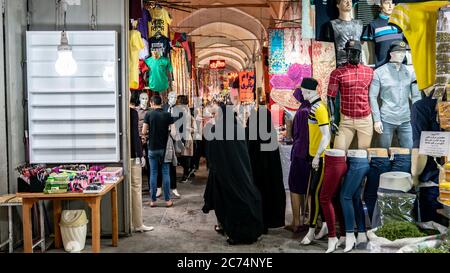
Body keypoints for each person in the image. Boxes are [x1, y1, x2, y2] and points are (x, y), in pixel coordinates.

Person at [202, 102, 264, 245]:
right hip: (241, 173)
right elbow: (245, 151)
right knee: (242, 199)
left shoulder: (215, 130)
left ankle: (230, 230)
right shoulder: (239, 129)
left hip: (224, 175)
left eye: (216, 114)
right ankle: (245, 230)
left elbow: (210, 154)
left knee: (225, 202)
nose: (214, 116)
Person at [246, 90, 286, 232]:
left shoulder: (251, 133)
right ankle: (272, 220)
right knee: (271, 192)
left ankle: (257, 220)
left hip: (255, 173)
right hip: (270, 173)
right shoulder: (271, 134)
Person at [142, 95, 174, 208]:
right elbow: (173, 131)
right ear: (161, 103)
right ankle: (168, 200)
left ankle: (153, 200)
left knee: (153, 173)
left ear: (151, 103)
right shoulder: (167, 115)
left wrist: (147, 135)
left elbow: (143, 131)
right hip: (164, 149)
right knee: (165, 173)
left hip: (152, 148)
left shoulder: (148, 114)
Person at [130, 96, 154, 232]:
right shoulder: (132, 113)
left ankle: (131, 222)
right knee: (135, 188)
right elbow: (134, 135)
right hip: (133, 155)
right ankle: (138, 223)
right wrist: (140, 154)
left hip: (116, 157)